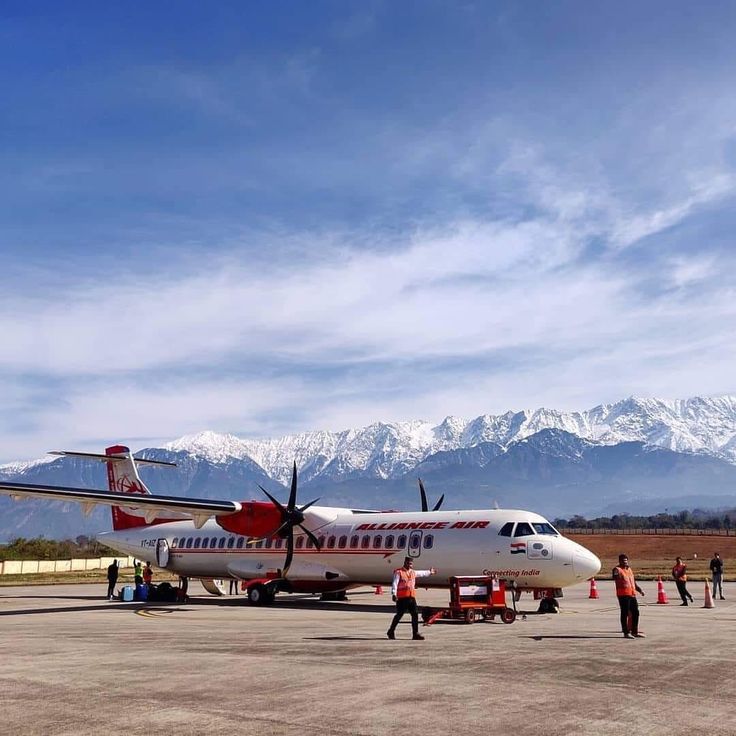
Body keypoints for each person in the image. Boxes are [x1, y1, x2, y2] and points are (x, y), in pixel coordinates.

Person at [387, 557, 437, 641]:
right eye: (409, 563)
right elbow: (395, 583)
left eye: (411, 564)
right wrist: (394, 594)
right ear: (405, 563)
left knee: (415, 615)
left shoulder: (413, 572)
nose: (410, 565)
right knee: (399, 615)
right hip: (402, 598)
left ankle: (415, 634)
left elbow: (421, 573)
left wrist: (430, 572)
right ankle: (391, 631)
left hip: (411, 597)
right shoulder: (399, 572)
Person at [612, 553, 646, 639]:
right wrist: (616, 574)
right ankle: (626, 632)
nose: (625, 562)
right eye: (623, 561)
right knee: (625, 613)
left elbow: (633, 582)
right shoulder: (617, 569)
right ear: (620, 561)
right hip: (623, 595)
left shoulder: (629, 569)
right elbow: (615, 577)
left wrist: (639, 590)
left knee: (636, 613)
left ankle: (634, 631)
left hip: (631, 594)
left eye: (626, 561)